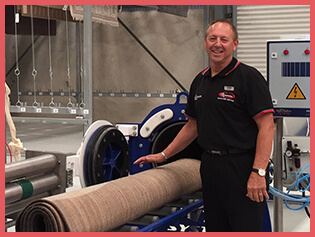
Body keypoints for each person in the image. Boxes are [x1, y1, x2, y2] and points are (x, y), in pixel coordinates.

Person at [134, 19, 275, 232]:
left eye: (224, 39)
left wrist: (258, 172)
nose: (218, 44)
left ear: (234, 44)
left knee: (245, 227)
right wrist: (163, 155)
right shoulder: (200, 81)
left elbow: (267, 127)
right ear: (205, 43)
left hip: (242, 166)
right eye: (213, 38)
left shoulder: (248, 78)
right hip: (210, 167)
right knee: (216, 227)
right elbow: (192, 127)